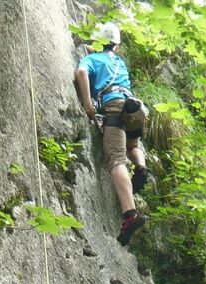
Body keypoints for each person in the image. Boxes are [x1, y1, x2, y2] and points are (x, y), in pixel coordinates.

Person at [74, 22, 152, 248]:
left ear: (97, 42)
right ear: (116, 46)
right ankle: (140, 166)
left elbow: (81, 72)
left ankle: (130, 214)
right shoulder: (118, 61)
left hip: (114, 106)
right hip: (135, 109)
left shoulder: (92, 59)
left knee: (116, 158)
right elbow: (103, 51)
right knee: (132, 142)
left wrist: (88, 106)